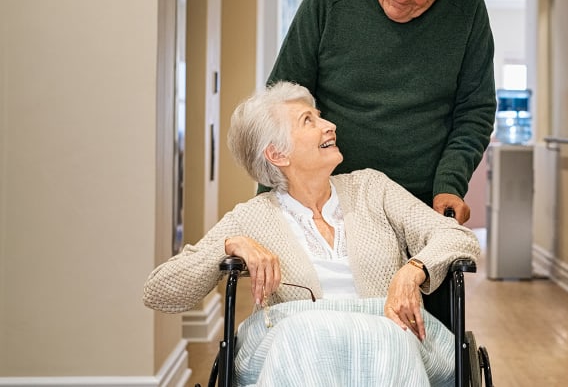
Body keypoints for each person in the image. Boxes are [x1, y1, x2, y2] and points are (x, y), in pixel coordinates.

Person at [143, 81, 481, 386]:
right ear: (277, 154)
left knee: (390, 335)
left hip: (389, 338)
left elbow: (458, 238)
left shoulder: (371, 188)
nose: (330, 125)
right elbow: (159, 291)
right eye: (309, 120)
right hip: (294, 341)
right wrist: (230, 244)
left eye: (320, 117)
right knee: (305, 333)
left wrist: (413, 270)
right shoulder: (254, 216)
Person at [265, 0, 496, 225]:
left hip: (419, 203)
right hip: (327, 201)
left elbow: (475, 111)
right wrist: (268, 202)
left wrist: (449, 185)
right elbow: (281, 105)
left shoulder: (466, 9)